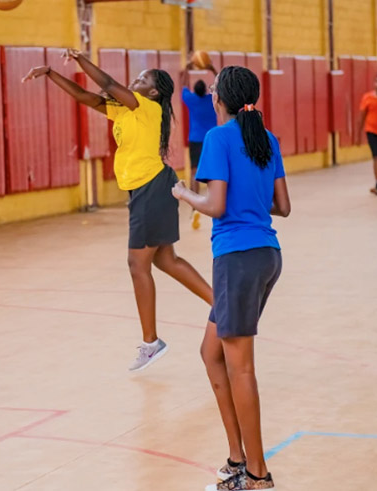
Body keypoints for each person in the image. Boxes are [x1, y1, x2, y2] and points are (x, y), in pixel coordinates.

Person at [23, 50, 213, 372]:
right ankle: (221, 303)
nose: (135, 81)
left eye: (142, 79)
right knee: (165, 259)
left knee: (137, 263)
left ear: (153, 92)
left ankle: (151, 342)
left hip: (152, 188)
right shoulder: (125, 111)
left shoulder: (149, 108)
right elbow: (85, 97)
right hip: (146, 190)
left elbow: (109, 84)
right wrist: (51, 73)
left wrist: (81, 59)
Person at [172, 66, 290, 491]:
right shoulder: (267, 138)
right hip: (266, 255)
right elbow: (282, 206)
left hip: (238, 260)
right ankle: (237, 457)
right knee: (211, 352)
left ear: (219, 98)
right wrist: (250, 199)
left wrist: (184, 193)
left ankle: (257, 475)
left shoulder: (218, 138)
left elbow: (216, 206)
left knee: (241, 368)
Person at [181, 66, 219, 230]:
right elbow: (221, 86)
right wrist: (212, 69)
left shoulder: (190, 99)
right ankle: (215, 202)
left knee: (194, 173)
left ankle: (195, 207)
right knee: (215, 173)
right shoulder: (212, 100)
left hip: (195, 139)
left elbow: (182, 84)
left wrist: (187, 69)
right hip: (211, 139)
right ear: (205, 90)